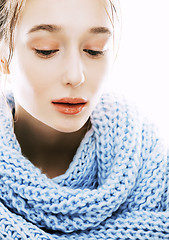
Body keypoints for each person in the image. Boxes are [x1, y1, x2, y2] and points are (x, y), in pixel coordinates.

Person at [0, 0, 168, 239]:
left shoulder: (153, 166)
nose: (75, 76)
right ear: (3, 57)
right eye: (46, 50)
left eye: (94, 50)